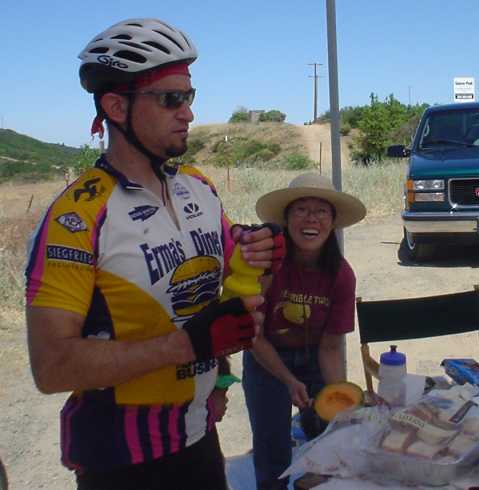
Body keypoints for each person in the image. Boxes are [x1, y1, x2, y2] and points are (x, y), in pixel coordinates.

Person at [24, 18, 284, 490]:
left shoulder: (199, 188)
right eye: (170, 99)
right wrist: (186, 346)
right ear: (116, 106)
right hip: (121, 461)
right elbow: (51, 366)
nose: (187, 113)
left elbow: (223, 299)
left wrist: (260, 252)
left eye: (189, 96)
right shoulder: (77, 219)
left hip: (199, 440)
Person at [242, 173, 366, 490]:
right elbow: (252, 335)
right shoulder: (265, 265)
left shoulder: (341, 274)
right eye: (301, 209)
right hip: (265, 358)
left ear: (332, 221)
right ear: (286, 218)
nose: (311, 219)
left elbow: (332, 346)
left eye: (321, 211)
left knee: (329, 437)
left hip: (315, 357)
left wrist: (342, 395)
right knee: (272, 446)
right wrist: (287, 379)